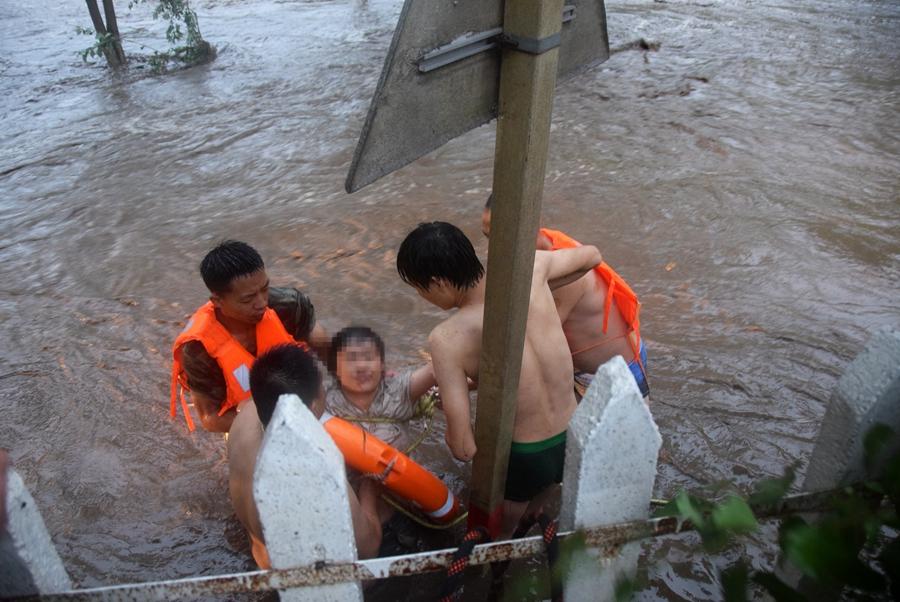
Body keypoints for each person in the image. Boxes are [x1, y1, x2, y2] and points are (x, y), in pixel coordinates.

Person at [396, 221, 602, 536]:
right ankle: (537, 521)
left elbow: (463, 447)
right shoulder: (533, 270)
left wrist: (450, 408)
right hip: (574, 433)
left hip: (527, 456)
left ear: (437, 283)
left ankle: (497, 573)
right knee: (537, 510)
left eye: (420, 289)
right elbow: (592, 257)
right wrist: (548, 285)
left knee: (498, 536)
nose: (423, 297)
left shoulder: (447, 338)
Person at [227, 343, 383, 569]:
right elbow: (369, 547)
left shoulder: (243, 422)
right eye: (322, 391)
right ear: (311, 408)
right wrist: (370, 487)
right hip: (307, 581)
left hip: (264, 554)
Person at [482, 195, 649, 400]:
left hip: (617, 375)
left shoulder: (564, 270)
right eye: (488, 238)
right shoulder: (546, 245)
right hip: (586, 371)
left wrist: (471, 375)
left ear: (531, 225)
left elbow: (534, 346)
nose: (492, 250)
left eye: (500, 237)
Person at [170, 240, 328, 433]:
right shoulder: (197, 350)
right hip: (247, 413)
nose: (262, 303)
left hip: (295, 398)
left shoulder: (289, 306)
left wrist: (316, 408)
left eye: (265, 289)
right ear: (217, 301)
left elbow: (322, 347)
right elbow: (210, 419)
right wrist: (273, 423)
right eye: (248, 299)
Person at [325, 326, 436, 451]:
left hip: (401, 468)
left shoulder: (400, 391)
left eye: (368, 358)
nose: (361, 366)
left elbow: (438, 367)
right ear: (335, 369)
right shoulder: (326, 404)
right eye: (351, 359)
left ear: (382, 365)